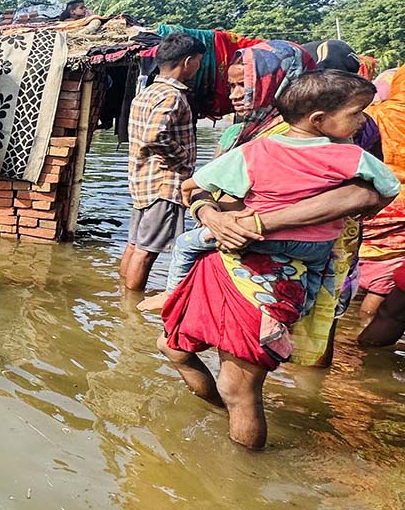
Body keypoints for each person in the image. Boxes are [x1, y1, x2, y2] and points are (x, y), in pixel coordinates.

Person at [158, 42, 395, 449]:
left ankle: (244, 475)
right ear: (319, 118)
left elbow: (368, 198)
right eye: (234, 85)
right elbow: (386, 190)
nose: (235, 93)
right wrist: (214, 217)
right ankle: (234, 416)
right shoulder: (258, 138)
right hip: (238, 262)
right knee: (174, 345)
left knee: (239, 387)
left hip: (267, 271)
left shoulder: (278, 147)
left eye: (243, 84)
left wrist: (253, 221)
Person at [143, 72, 397, 320]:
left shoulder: (257, 149)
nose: (363, 120)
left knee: (187, 244)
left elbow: (194, 184)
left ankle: (170, 294)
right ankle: (293, 316)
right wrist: (372, 209)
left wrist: (199, 203)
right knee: (317, 280)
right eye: (356, 113)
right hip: (317, 245)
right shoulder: (352, 154)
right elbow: (390, 187)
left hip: (258, 235)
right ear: (318, 119)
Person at [119, 32, 206, 291]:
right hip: (163, 184)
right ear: (188, 61)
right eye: (199, 61)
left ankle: (122, 295)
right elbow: (154, 136)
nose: (199, 67)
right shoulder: (172, 96)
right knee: (147, 251)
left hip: (143, 181)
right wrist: (182, 161)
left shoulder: (147, 93)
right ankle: (131, 309)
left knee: (135, 244)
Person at [354, 69, 405, 317]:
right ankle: (363, 335)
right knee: (385, 278)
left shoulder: (364, 116)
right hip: (398, 212)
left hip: (366, 205)